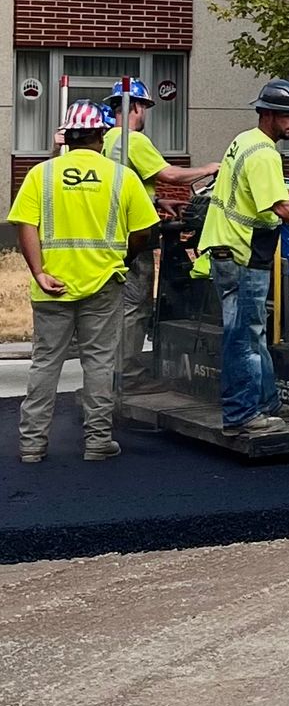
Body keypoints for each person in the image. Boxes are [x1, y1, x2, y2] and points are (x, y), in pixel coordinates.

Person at [193, 80, 289, 435]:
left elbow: (273, 195)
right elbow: (277, 206)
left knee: (253, 332)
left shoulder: (245, 141)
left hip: (231, 250)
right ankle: (242, 415)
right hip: (243, 254)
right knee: (244, 337)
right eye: (286, 117)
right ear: (266, 114)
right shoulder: (264, 153)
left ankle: (266, 403)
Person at [9, 102, 161, 465]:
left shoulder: (41, 175)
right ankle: (97, 441)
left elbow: (24, 225)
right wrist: (123, 257)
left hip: (51, 285)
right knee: (98, 362)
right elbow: (144, 229)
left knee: (46, 364)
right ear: (100, 134)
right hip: (103, 283)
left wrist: (39, 272)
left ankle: (32, 445)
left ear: (69, 136)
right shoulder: (121, 176)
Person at [98, 80, 215, 391]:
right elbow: (170, 175)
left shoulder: (108, 140)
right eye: (146, 107)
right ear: (137, 106)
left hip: (113, 232)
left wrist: (158, 202)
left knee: (120, 305)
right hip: (135, 235)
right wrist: (210, 168)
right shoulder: (134, 141)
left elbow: (124, 184)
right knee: (136, 306)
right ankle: (129, 377)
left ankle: (112, 372)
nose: (145, 113)